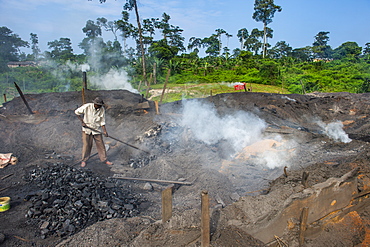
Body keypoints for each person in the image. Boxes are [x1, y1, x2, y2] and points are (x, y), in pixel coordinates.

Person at [75, 97, 113, 167]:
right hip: (87, 129)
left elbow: (102, 121)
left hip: (96, 129)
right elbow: (76, 112)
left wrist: (105, 131)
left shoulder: (101, 109)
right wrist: (82, 122)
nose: (100, 106)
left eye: (101, 105)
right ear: (95, 104)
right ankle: (84, 160)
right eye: (98, 105)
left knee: (101, 145)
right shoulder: (87, 106)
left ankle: (104, 160)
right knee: (87, 145)